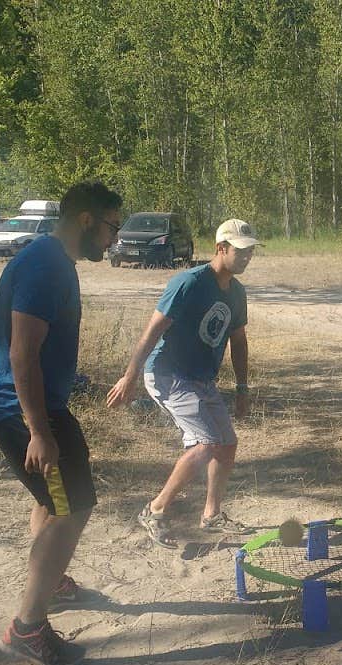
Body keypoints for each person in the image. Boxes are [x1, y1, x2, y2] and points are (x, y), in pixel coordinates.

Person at [0, 180, 123, 665]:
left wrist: (72, 382)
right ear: (86, 220)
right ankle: (27, 628)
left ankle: (51, 583)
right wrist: (40, 431)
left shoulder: (52, 260)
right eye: (111, 227)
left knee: (52, 498)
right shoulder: (46, 265)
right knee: (73, 504)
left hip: (31, 400)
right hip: (20, 405)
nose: (113, 238)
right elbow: (22, 352)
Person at [106, 218, 257, 549]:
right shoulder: (189, 282)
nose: (246, 258)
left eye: (250, 252)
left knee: (226, 443)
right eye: (240, 251)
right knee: (204, 444)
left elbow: (239, 341)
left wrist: (243, 389)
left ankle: (212, 515)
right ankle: (155, 510)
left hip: (201, 377)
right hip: (166, 373)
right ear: (221, 248)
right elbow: (153, 329)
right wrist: (129, 376)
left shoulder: (237, 293)